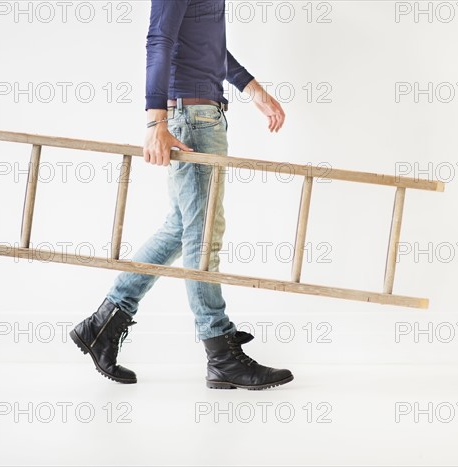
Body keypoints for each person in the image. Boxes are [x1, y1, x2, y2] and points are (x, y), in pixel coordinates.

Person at [69, 0, 292, 390]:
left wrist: (251, 89)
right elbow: (159, 40)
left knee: (181, 228)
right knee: (203, 234)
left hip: (201, 113)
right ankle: (221, 353)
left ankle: (102, 326)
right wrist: (155, 121)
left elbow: (203, 43)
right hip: (191, 118)